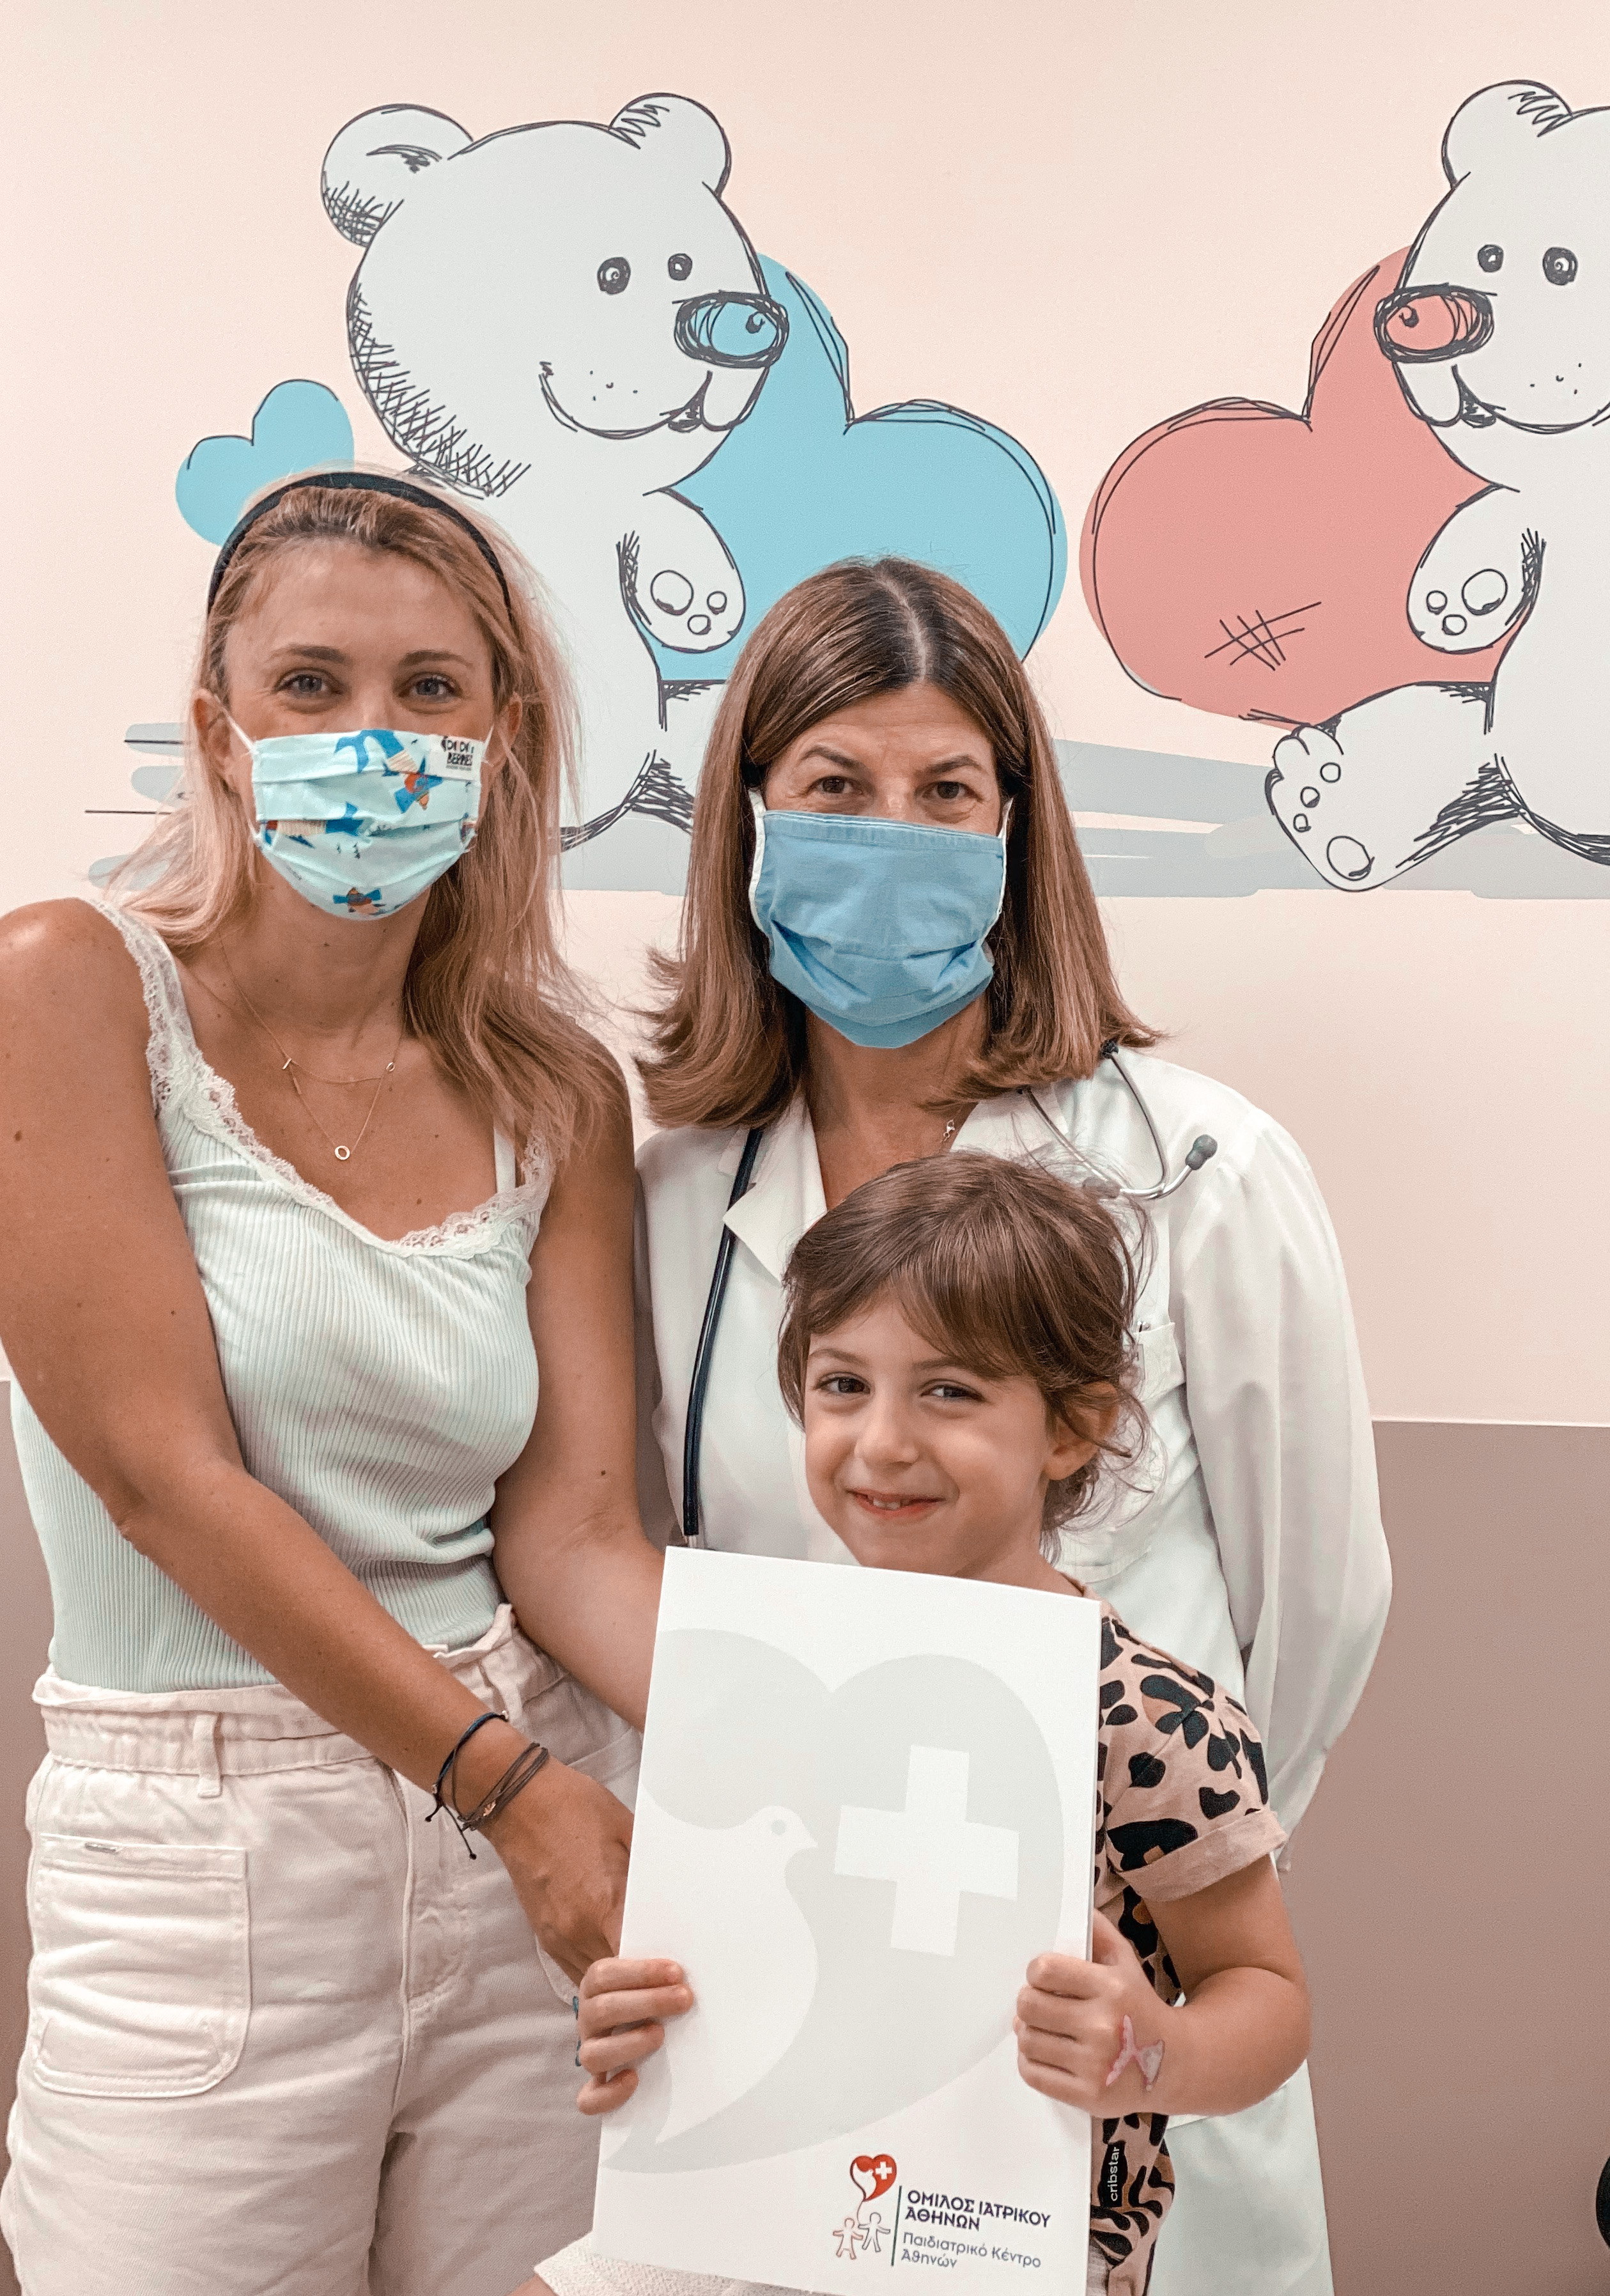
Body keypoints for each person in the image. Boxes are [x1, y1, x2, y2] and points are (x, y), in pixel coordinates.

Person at [633, 557, 1388, 2296]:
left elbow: (1319, 1615)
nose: (891, 835)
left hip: (1113, 2019)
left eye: (947, 791)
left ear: (1016, 830)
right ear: (750, 820)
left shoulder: (1201, 1172)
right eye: (836, 786)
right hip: (804, 2029)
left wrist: (1162, 1881)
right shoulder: (670, 1199)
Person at [0, 473, 664, 2296]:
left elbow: (577, 1538)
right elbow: (163, 1480)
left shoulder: (555, 1088)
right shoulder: (67, 988)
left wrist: (836, 1757)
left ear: (502, 743)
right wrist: (508, 1790)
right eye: (311, 685)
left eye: (431, 690)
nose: (373, 737)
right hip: (215, 1852)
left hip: (534, 1822)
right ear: (220, 731)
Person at [523, 1152, 1312, 2296]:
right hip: (746, 2207)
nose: (883, 1441)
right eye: (843, 1385)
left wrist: (1160, 2049)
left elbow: (1268, 1998)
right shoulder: (763, 1679)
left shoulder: (1144, 1717)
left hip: (1001, 2244)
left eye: (948, 1392)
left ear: (1073, 1428)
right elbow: (739, 1962)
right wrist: (639, 2018)